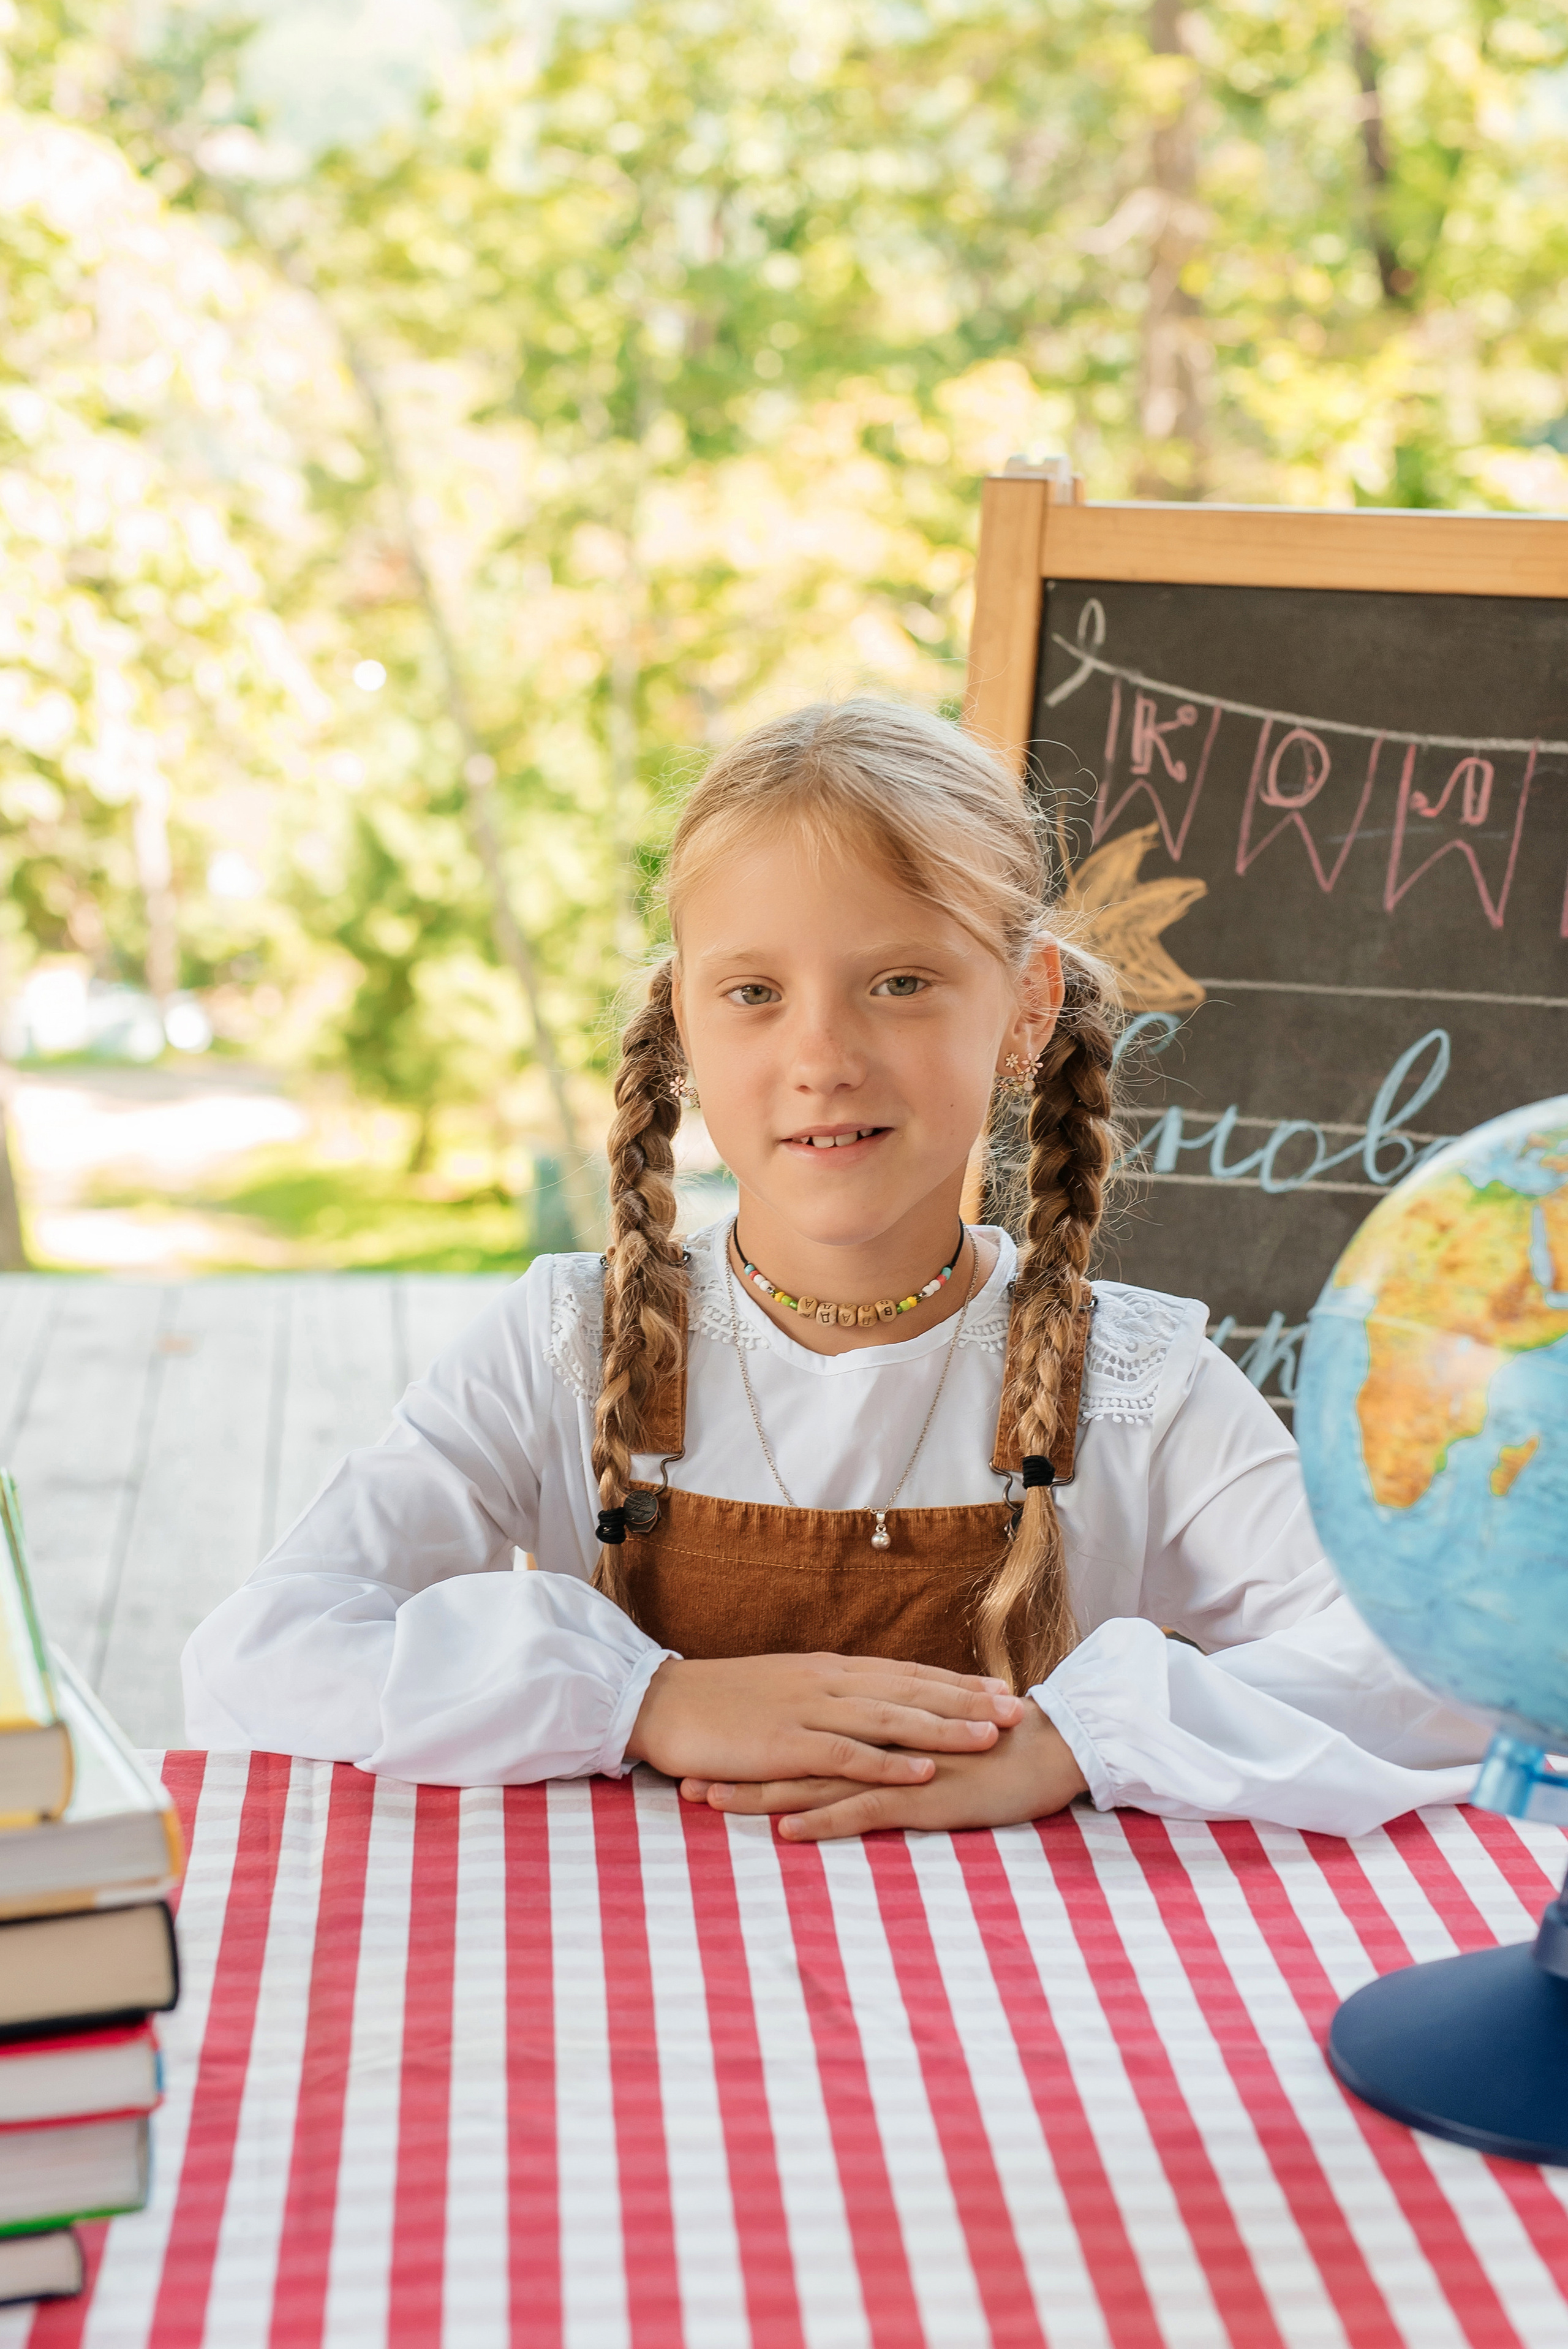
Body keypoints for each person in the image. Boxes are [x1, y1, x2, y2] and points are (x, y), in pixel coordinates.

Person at [183, 699, 1485, 1839]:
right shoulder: (567, 1345)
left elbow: (1421, 1672)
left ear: (1025, 1009)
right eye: (753, 991)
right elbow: (259, 1656)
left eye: (901, 982)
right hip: (627, 2007)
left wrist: (1078, 1740)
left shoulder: (1132, 1379)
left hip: (1020, 2019)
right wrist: (641, 1696)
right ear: (683, 1016)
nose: (823, 1055)